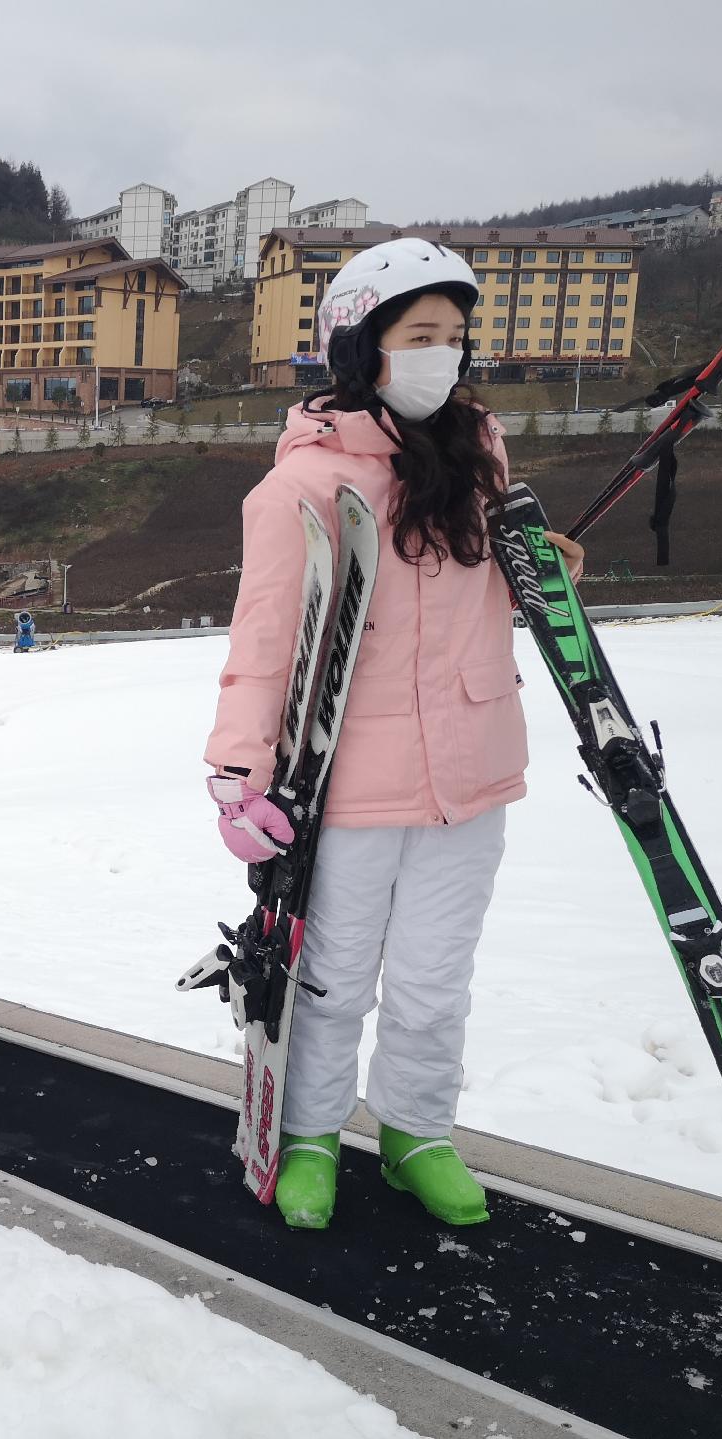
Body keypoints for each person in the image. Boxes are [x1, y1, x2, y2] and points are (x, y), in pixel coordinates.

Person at [203, 237, 583, 1232]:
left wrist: (542, 568)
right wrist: (238, 775)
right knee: (328, 979)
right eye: (418, 336)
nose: (442, 357)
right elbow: (262, 641)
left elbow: (478, 585)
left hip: (473, 763)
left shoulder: (478, 453)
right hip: (351, 780)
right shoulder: (298, 489)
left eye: (454, 338)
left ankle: (417, 1130)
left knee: (431, 976)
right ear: (358, 346)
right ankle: (312, 1133)